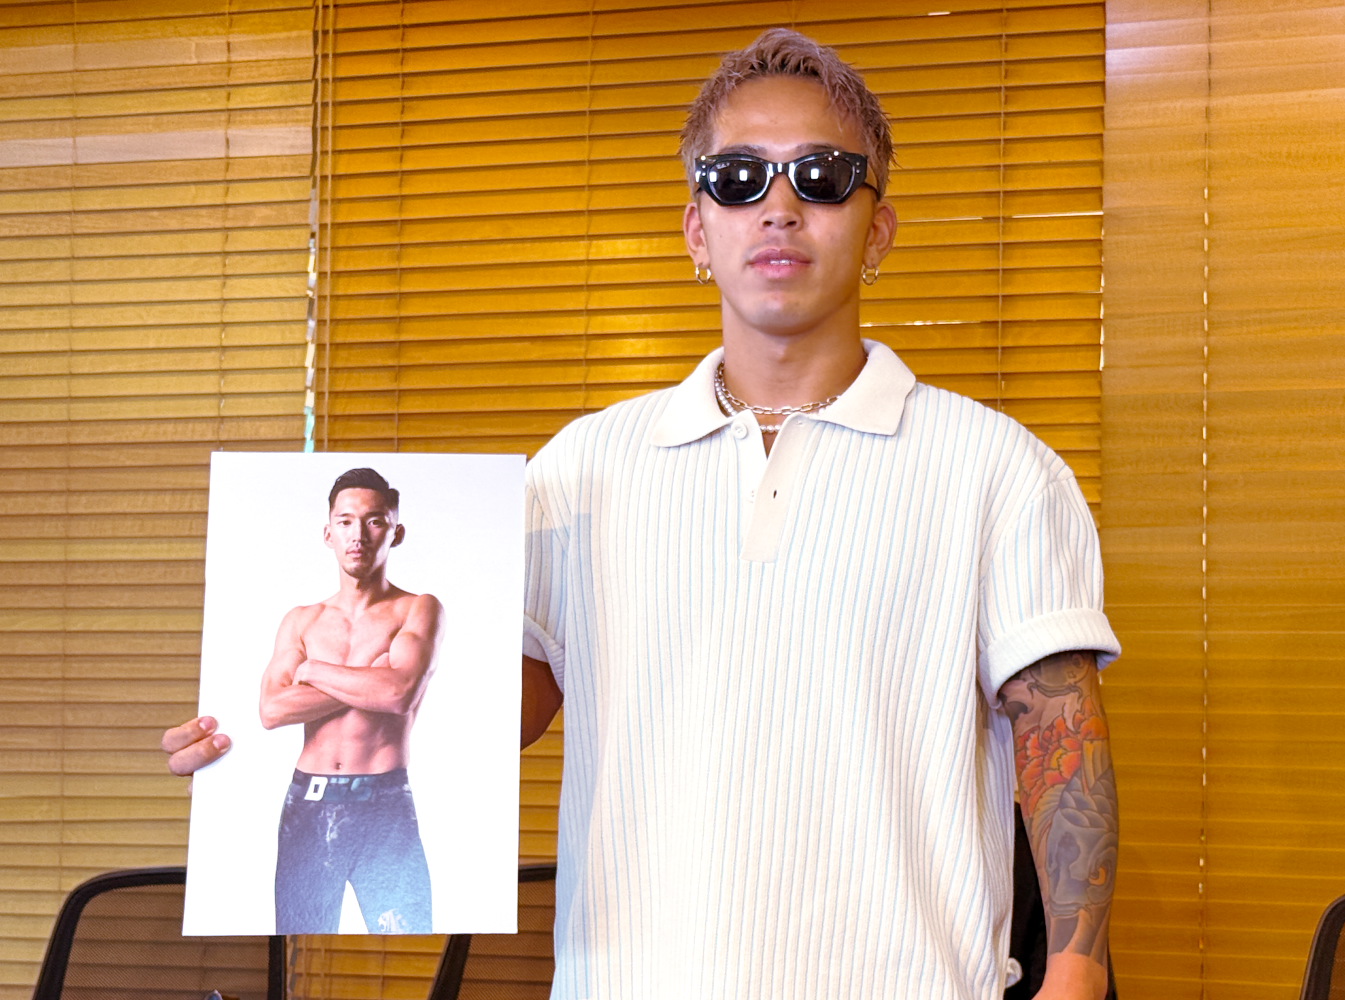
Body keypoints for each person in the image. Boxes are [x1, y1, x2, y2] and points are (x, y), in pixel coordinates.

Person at [167, 29, 1119, 998]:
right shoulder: (580, 470)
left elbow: (1061, 744)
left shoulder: (998, 470)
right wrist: (235, 738)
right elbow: (475, 717)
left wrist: (1075, 975)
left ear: (878, 230)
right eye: (738, 178)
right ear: (698, 231)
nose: (779, 207)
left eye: (822, 176)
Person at [182, 467, 443, 934]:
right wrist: (370, 678)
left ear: (396, 532)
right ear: (328, 533)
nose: (358, 535)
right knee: (298, 940)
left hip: (384, 802)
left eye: (374, 521)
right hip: (308, 800)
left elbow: (398, 693)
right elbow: (272, 710)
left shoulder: (418, 608)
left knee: (410, 939)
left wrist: (314, 670)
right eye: (345, 521)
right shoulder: (301, 620)